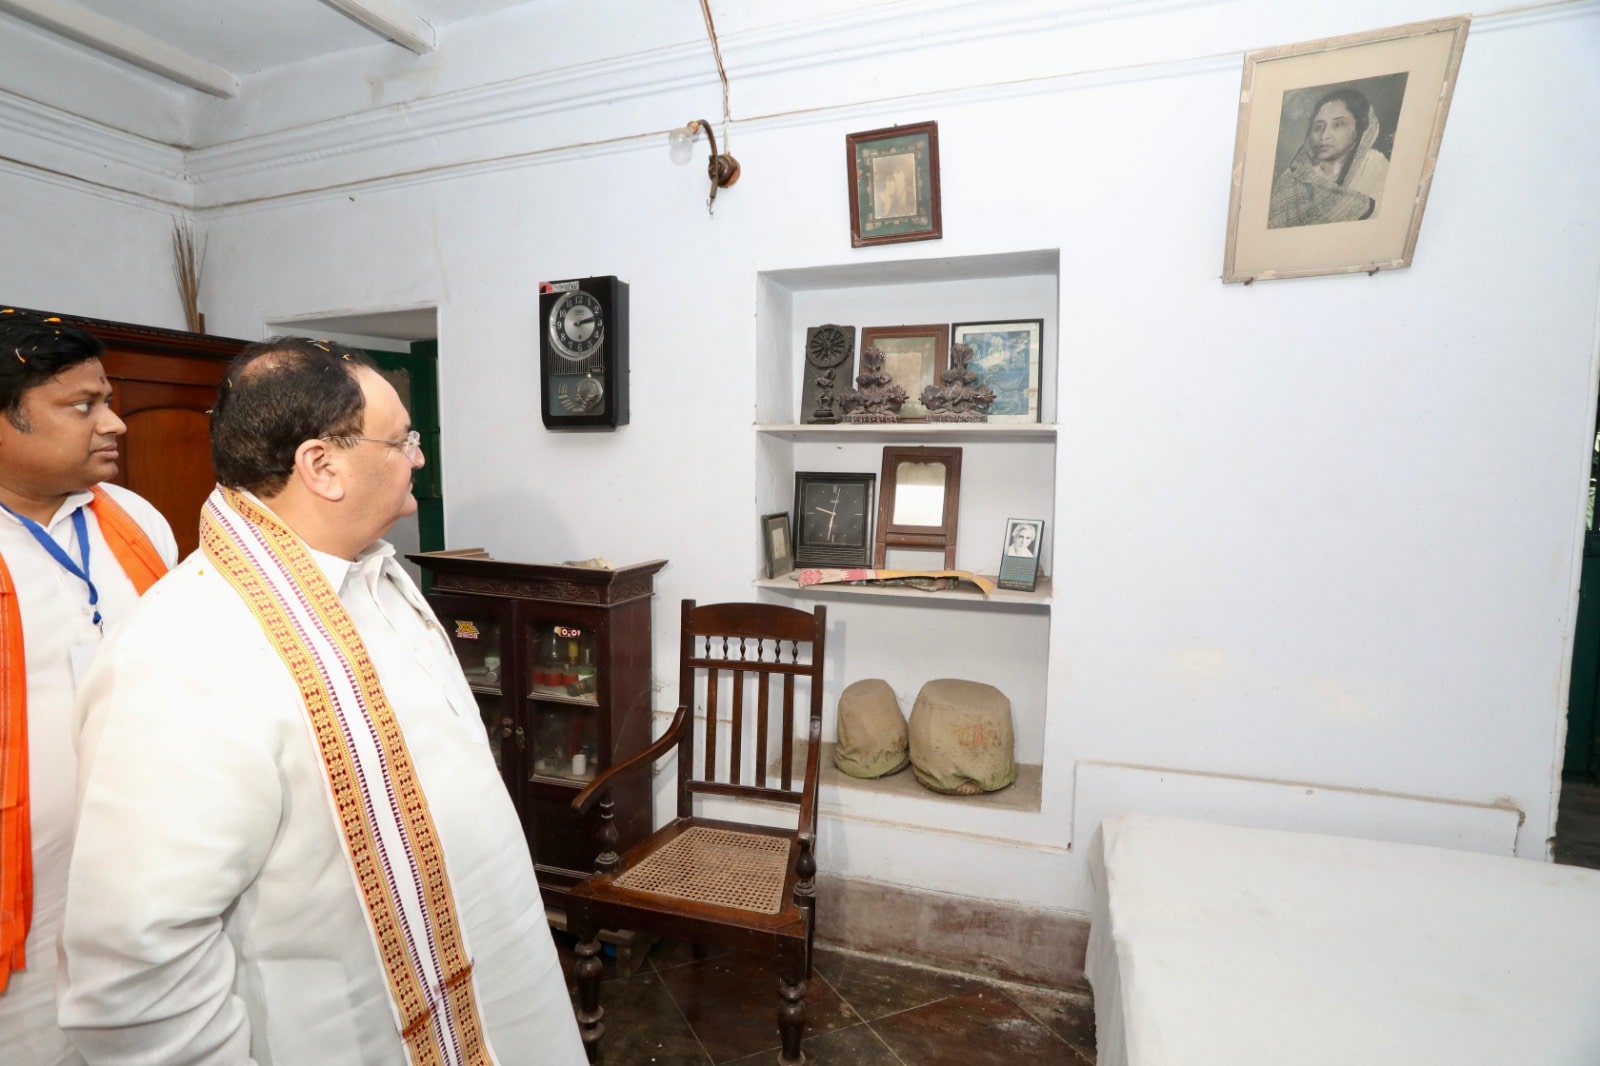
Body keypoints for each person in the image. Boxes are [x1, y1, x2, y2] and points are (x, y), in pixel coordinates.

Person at [59, 338, 585, 1064]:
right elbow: (138, 970)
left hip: (496, 995)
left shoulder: (376, 576)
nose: (418, 458)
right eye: (402, 440)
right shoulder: (182, 651)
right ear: (322, 466)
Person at [0, 308, 177, 1066]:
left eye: (106, 399)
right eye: (82, 406)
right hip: (25, 903)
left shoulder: (134, 519)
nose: (115, 424)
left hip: (146, 872)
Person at [1267, 86, 1391, 229]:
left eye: (1338, 124)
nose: (1324, 135)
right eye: (1318, 126)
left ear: (1358, 130)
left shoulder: (1376, 166)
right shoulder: (1293, 178)